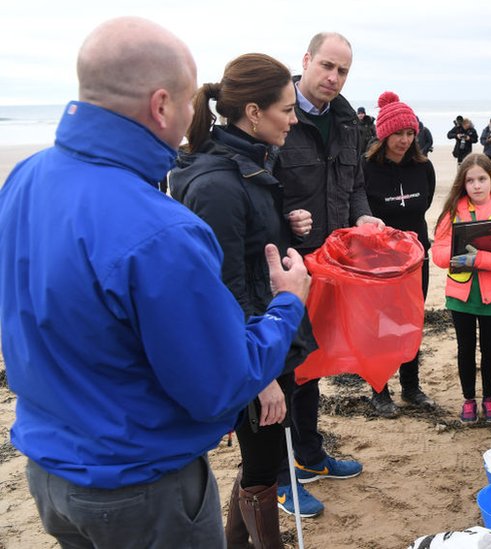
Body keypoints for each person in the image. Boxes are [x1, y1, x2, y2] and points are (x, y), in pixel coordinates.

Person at [0, 18, 311, 548]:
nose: (196, 114)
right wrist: (286, 306)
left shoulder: (24, 179)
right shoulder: (161, 230)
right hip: (140, 485)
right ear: (162, 104)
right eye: (191, 101)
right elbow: (217, 383)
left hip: (49, 471)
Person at [168, 53, 322, 543]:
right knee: (264, 465)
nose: (294, 120)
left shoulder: (251, 162)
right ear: (252, 112)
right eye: (286, 110)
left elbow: (253, 250)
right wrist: (259, 379)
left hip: (266, 335)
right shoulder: (217, 182)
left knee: (261, 461)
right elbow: (221, 289)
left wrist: (286, 225)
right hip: (251, 346)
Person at [273, 31, 378, 516]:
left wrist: (360, 217)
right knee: (279, 370)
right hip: (285, 267)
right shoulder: (276, 113)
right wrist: (285, 219)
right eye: (327, 67)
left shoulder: (346, 120)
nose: (334, 78)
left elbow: (354, 183)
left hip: (332, 264)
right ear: (307, 60)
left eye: (343, 71)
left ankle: (311, 455)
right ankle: (278, 474)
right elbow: (256, 192)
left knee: (311, 363)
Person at [431, 154, 491, 423]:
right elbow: (437, 251)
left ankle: (489, 398)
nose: (476, 185)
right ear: (463, 183)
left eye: (482, 179)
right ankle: (469, 400)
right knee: (465, 348)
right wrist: (455, 257)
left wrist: (480, 259)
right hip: (460, 294)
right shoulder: (453, 211)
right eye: (470, 180)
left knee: (490, 347)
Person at [363, 91, 437, 417]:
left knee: (412, 322)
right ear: (383, 134)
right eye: (398, 134)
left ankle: (410, 387)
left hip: (416, 258)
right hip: (380, 261)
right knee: (380, 326)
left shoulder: (424, 167)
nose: (405, 140)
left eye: (410, 133)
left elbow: (425, 204)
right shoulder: (366, 169)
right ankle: (379, 390)